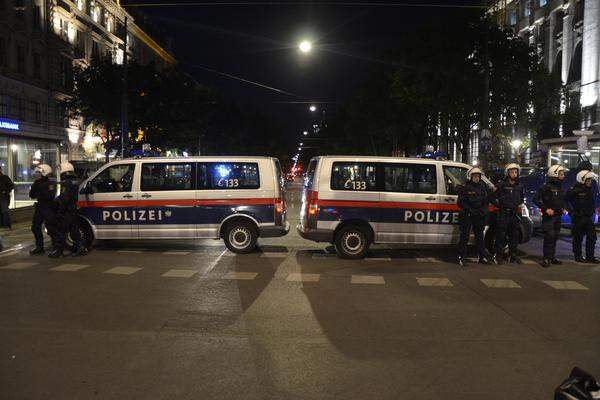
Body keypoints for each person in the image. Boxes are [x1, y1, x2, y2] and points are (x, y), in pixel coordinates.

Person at [49, 162, 86, 258]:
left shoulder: (66, 183)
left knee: (61, 231)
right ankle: (80, 248)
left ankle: (59, 251)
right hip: (73, 209)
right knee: (74, 230)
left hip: (67, 210)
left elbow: (64, 198)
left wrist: (60, 209)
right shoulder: (74, 181)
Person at [533, 164, 567, 268]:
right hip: (549, 218)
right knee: (550, 236)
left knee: (555, 236)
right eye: (561, 174)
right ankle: (546, 258)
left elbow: (561, 201)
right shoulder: (545, 187)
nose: (564, 176)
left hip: (558, 216)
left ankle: (552, 257)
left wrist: (564, 208)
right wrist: (546, 209)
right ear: (555, 174)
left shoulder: (560, 187)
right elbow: (535, 199)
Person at [457, 167, 491, 266]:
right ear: (470, 177)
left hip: (479, 216)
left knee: (480, 237)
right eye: (475, 176)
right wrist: (470, 210)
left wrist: (483, 211)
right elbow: (460, 202)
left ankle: (482, 257)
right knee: (464, 237)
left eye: (478, 176)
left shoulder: (483, 187)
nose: (476, 178)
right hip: (468, 215)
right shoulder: (465, 187)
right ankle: (462, 257)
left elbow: (486, 201)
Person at [492, 163, 525, 265]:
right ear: (507, 173)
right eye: (512, 172)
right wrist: (499, 205)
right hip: (504, 214)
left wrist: (519, 206)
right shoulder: (501, 184)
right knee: (500, 236)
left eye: (515, 172)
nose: (514, 174)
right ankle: (498, 256)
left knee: (514, 236)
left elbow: (521, 198)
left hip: (514, 214)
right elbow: (492, 196)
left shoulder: (520, 185)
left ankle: (513, 255)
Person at [566, 170, 600, 264]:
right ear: (582, 179)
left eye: (590, 180)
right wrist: (571, 212)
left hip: (587, 217)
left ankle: (590, 256)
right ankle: (578, 256)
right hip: (578, 217)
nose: (590, 182)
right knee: (578, 238)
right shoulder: (574, 190)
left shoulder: (588, 190)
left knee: (592, 237)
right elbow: (565, 201)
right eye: (588, 180)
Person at [29, 164, 58, 255]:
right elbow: (32, 195)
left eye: (39, 172)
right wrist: (35, 186)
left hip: (48, 208)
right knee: (35, 227)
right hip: (40, 207)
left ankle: (56, 248)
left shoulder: (50, 183)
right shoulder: (37, 182)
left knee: (51, 228)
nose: (37, 174)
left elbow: (50, 196)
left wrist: (40, 189)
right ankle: (39, 247)